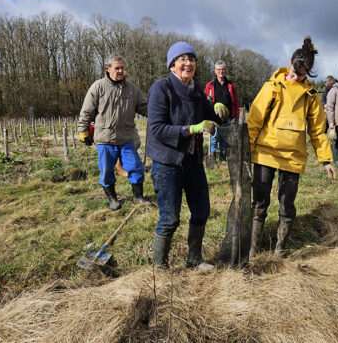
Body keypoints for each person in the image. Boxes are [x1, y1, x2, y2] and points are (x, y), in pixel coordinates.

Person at [247, 37, 336, 258]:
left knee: (287, 204)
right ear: (290, 63)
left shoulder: (311, 96)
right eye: (294, 71)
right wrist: (246, 151)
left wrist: (326, 160)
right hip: (265, 154)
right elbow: (254, 121)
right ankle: (252, 250)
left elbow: (317, 130)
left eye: (301, 75)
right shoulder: (272, 86)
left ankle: (280, 250)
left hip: (293, 158)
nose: (295, 77)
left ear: (309, 73)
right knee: (260, 201)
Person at [147, 41, 230, 270]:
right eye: (182, 59)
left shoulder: (196, 92)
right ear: (172, 65)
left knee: (202, 211)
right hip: (168, 163)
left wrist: (220, 109)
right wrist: (191, 129)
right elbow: (157, 129)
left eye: (191, 59)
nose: (188, 63)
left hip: (192, 162)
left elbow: (212, 117)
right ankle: (160, 268)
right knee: (170, 219)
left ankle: (194, 259)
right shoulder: (161, 88)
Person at [78, 54, 149, 211]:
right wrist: (83, 132)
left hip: (127, 137)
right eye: (117, 68)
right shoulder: (98, 87)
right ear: (107, 69)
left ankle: (138, 197)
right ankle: (113, 199)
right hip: (105, 138)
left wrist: (159, 115)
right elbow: (86, 111)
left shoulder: (132, 89)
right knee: (106, 170)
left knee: (135, 167)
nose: (120, 71)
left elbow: (145, 107)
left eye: (123, 68)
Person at [204, 60, 240, 161]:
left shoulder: (231, 85)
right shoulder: (210, 85)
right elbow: (204, 100)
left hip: (227, 115)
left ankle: (223, 158)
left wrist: (236, 116)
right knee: (214, 136)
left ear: (225, 71)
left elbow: (236, 102)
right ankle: (212, 158)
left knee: (225, 136)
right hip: (214, 116)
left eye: (223, 69)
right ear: (215, 71)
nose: (221, 71)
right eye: (219, 69)